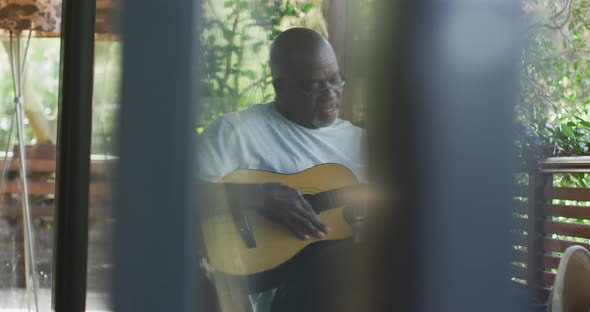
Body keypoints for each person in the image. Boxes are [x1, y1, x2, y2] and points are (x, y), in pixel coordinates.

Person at [196, 28, 367, 312]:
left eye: (335, 80)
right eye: (314, 86)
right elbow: (170, 192)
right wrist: (254, 196)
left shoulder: (363, 144)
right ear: (280, 86)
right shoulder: (236, 132)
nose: (330, 95)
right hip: (275, 291)